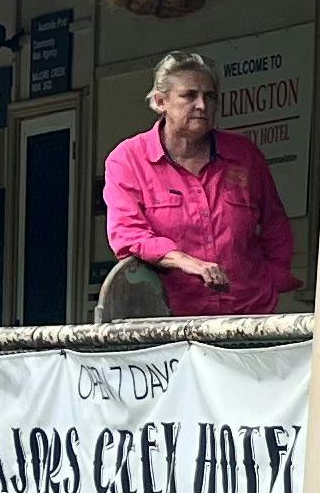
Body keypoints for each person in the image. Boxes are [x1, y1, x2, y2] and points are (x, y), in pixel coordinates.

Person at [101, 48, 296, 316]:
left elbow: (275, 223)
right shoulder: (128, 160)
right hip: (170, 320)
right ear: (160, 102)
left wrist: (274, 278)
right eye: (189, 95)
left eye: (210, 96)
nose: (202, 105)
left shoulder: (244, 155)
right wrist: (184, 261)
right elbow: (127, 234)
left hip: (247, 313)